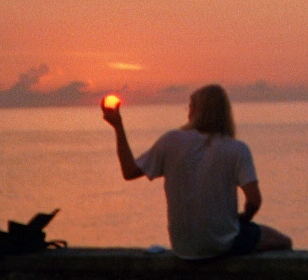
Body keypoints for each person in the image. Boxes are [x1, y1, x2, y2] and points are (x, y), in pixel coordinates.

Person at [103, 85, 292, 259]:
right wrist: (243, 219)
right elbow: (254, 201)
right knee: (284, 242)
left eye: (190, 107)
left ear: (198, 111)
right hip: (222, 245)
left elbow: (129, 171)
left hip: (183, 247)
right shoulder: (237, 149)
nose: (188, 113)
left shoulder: (171, 141)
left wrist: (118, 126)